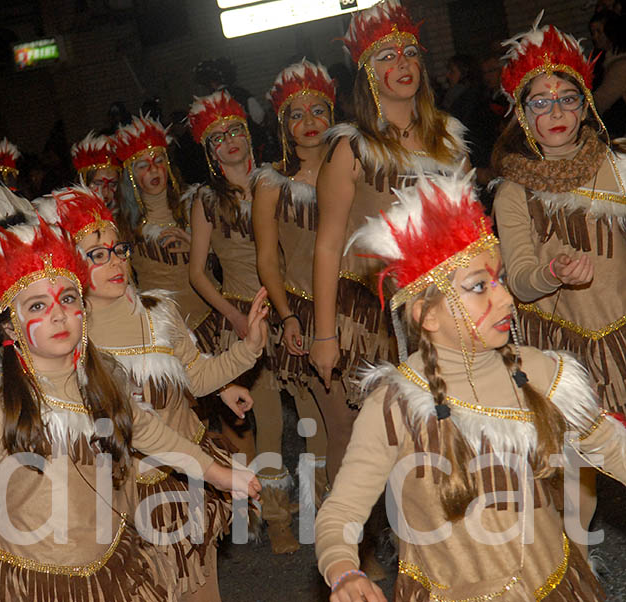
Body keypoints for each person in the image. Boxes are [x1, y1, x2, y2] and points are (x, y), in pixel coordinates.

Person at [0, 175, 261, 602]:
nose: (57, 315)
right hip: (40, 587)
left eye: (68, 298)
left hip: (115, 571)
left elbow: (152, 433)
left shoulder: (103, 380)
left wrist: (217, 473)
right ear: (10, 325)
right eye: (37, 305)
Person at [316, 168, 624, 602]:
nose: (505, 299)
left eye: (497, 281)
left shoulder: (539, 372)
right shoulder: (396, 406)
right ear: (427, 315)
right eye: (480, 287)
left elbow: (613, 448)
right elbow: (343, 509)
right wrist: (344, 571)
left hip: (550, 586)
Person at [491, 15, 626, 563]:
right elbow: (520, 279)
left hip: (622, 334)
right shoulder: (513, 189)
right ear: (522, 115)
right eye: (540, 103)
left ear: (586, 104)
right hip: (564, 352)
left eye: (567, 98)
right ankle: (572, 572)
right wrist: (552, 274)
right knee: (577, 473)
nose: (556, 112)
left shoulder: (617, 169)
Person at [311, 0, 468, 443]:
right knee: (407, 442)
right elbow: (327, 245)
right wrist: (325, 335)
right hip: (382, 316)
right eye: (387, 56)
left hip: (452, 306)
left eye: (410, 53)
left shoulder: (450, 139)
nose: (403, 63)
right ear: (368, 74)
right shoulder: (351, 149)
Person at [185, 90, 296, 553]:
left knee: (305, 413)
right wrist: (233, 316)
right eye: (218, 138)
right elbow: (196, 272)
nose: (229, 142)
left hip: (291, 308)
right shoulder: (207, 201)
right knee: (268, 422)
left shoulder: (279, 182)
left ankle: (288, 502)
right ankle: (276, 519)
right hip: (242, 317)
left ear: (249, 136)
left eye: (235, 132)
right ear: (209, 152)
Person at [250, 59, 336, 512]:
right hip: (303, 312)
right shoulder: (271, 184)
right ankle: (334, 530)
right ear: (284, 125)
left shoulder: (352, 171)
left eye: (318, 110)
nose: (309, 122)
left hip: (359, 313)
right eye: (297, 114)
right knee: (320, 427)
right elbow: (267, 259)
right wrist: (286, 316)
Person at [113, 114, 214, 344]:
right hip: (166, 331)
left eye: (159, 160)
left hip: (211, 318)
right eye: (143, 165)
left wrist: (199, 247)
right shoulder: (123, 225)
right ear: (131, 175)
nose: (153, 169)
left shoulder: (194, 204)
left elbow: (227, 257)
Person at [70, 131, 122, 217]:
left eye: (113, 184)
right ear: (83, 182)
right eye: (98, 183)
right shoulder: (66, 217)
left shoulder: (128, 218)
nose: (105, 191)